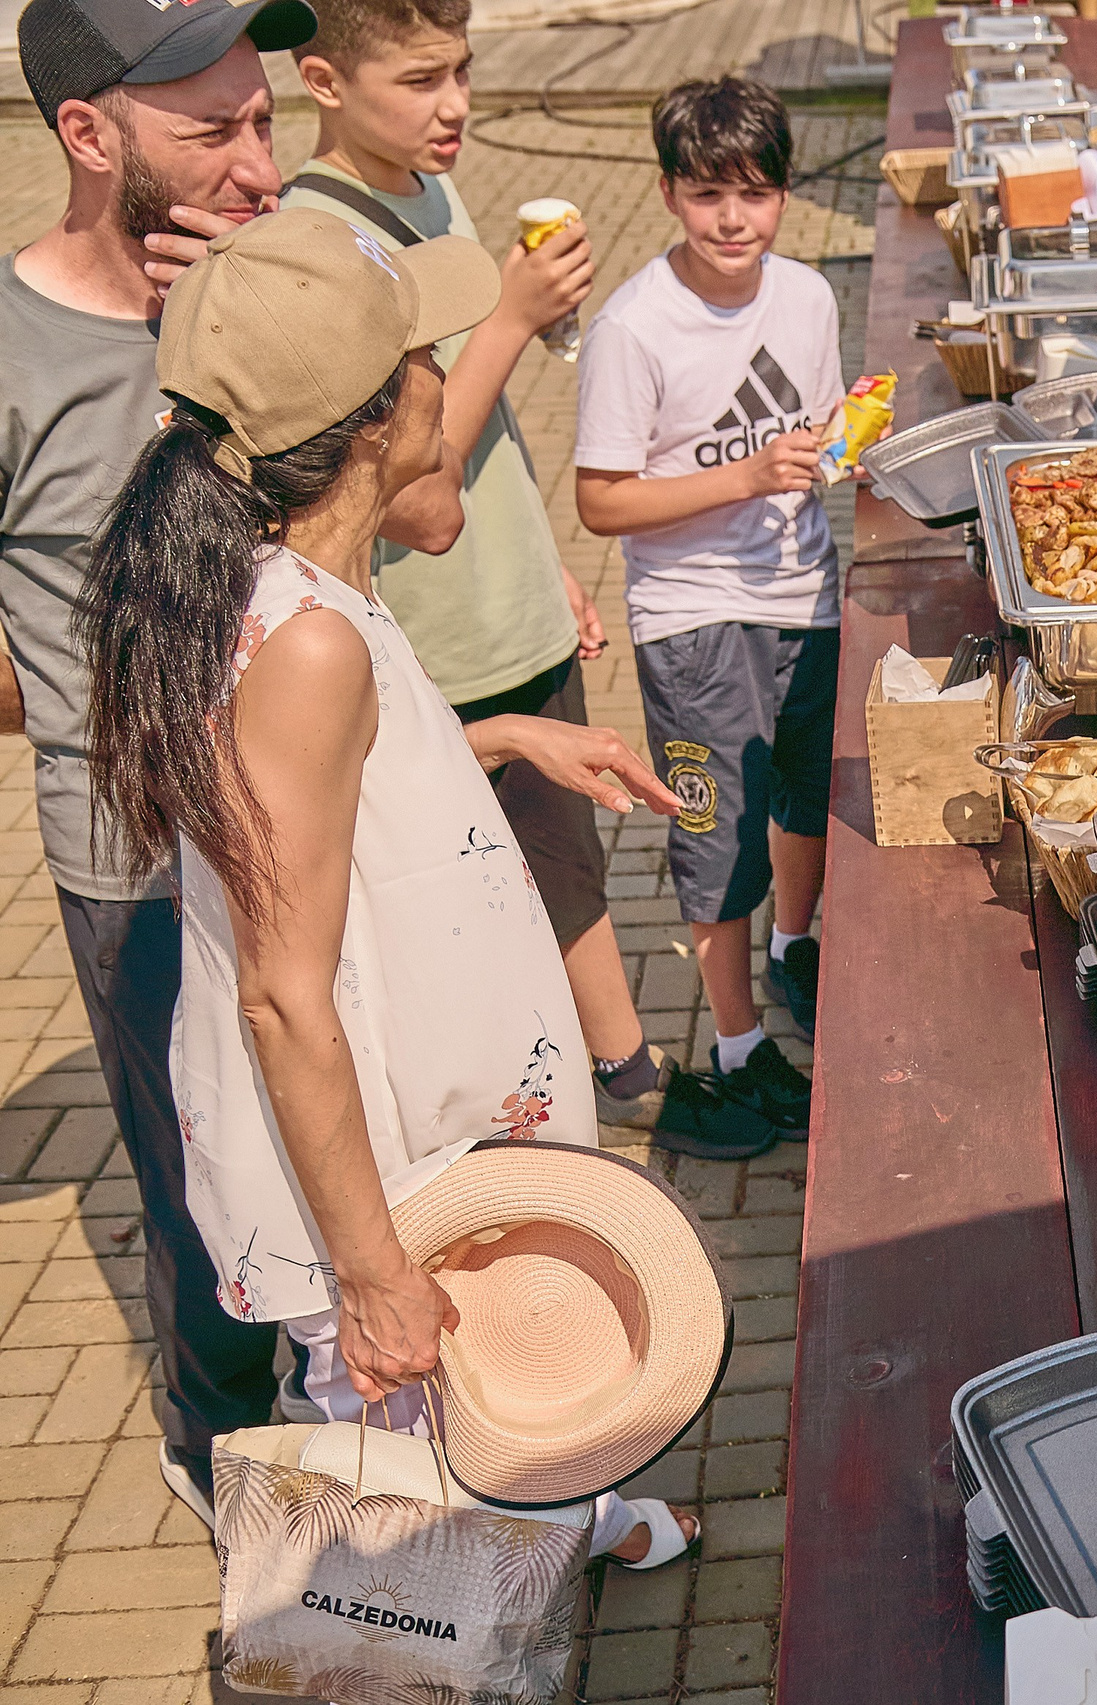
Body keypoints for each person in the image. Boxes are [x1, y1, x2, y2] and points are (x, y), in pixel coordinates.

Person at [80, 208, 698, 1569]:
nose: (446, 368)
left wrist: (502, 739)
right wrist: (372, 1278)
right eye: (423, 349)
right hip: (380, 1176)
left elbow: (320, 815)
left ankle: (555, 1530)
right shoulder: (304, 641)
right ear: (373, 420)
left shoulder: (305, 594)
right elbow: (283, 997)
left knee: (480, 1436)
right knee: (403, 1516)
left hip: (417, 1139)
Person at [1, 0, 420, 1525]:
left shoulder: (283, 275)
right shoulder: (15, 348)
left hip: (337, 820)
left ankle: (419, 1429)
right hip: (139, 868)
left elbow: (411, 507)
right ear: (90, 135)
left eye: (264, 119)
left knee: (368, 1134)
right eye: (212, 131)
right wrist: (94, 704)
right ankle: (235, 1465)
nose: (261, 164)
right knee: (209, 1198)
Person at [283, 0, 777, 1159]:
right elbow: (407, 495)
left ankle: (620, 1066)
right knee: (471, 882)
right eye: (418, 80)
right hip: (437, 634)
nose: (453, 104)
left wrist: (544, 556)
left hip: (509, 603)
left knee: (563, 850)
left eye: (462, 70)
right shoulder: (324, 243)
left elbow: (482, 421)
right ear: (322, 81)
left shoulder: (428, 185)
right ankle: (528, 1114)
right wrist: (511, 313)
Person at [574, 77, 835, 1129]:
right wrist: (745, 476)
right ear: (671, 194)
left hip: (802, 589)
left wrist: (841, 451)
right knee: (716, 835)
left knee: (807, 797)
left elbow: (811, 437)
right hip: (690, 615)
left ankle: (794, 944)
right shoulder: (633, 329)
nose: (733, 220)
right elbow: (598, 501)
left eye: (756, 194)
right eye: (707, 194)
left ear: (783, 194)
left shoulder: (810, 296)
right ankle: (736, 1044)